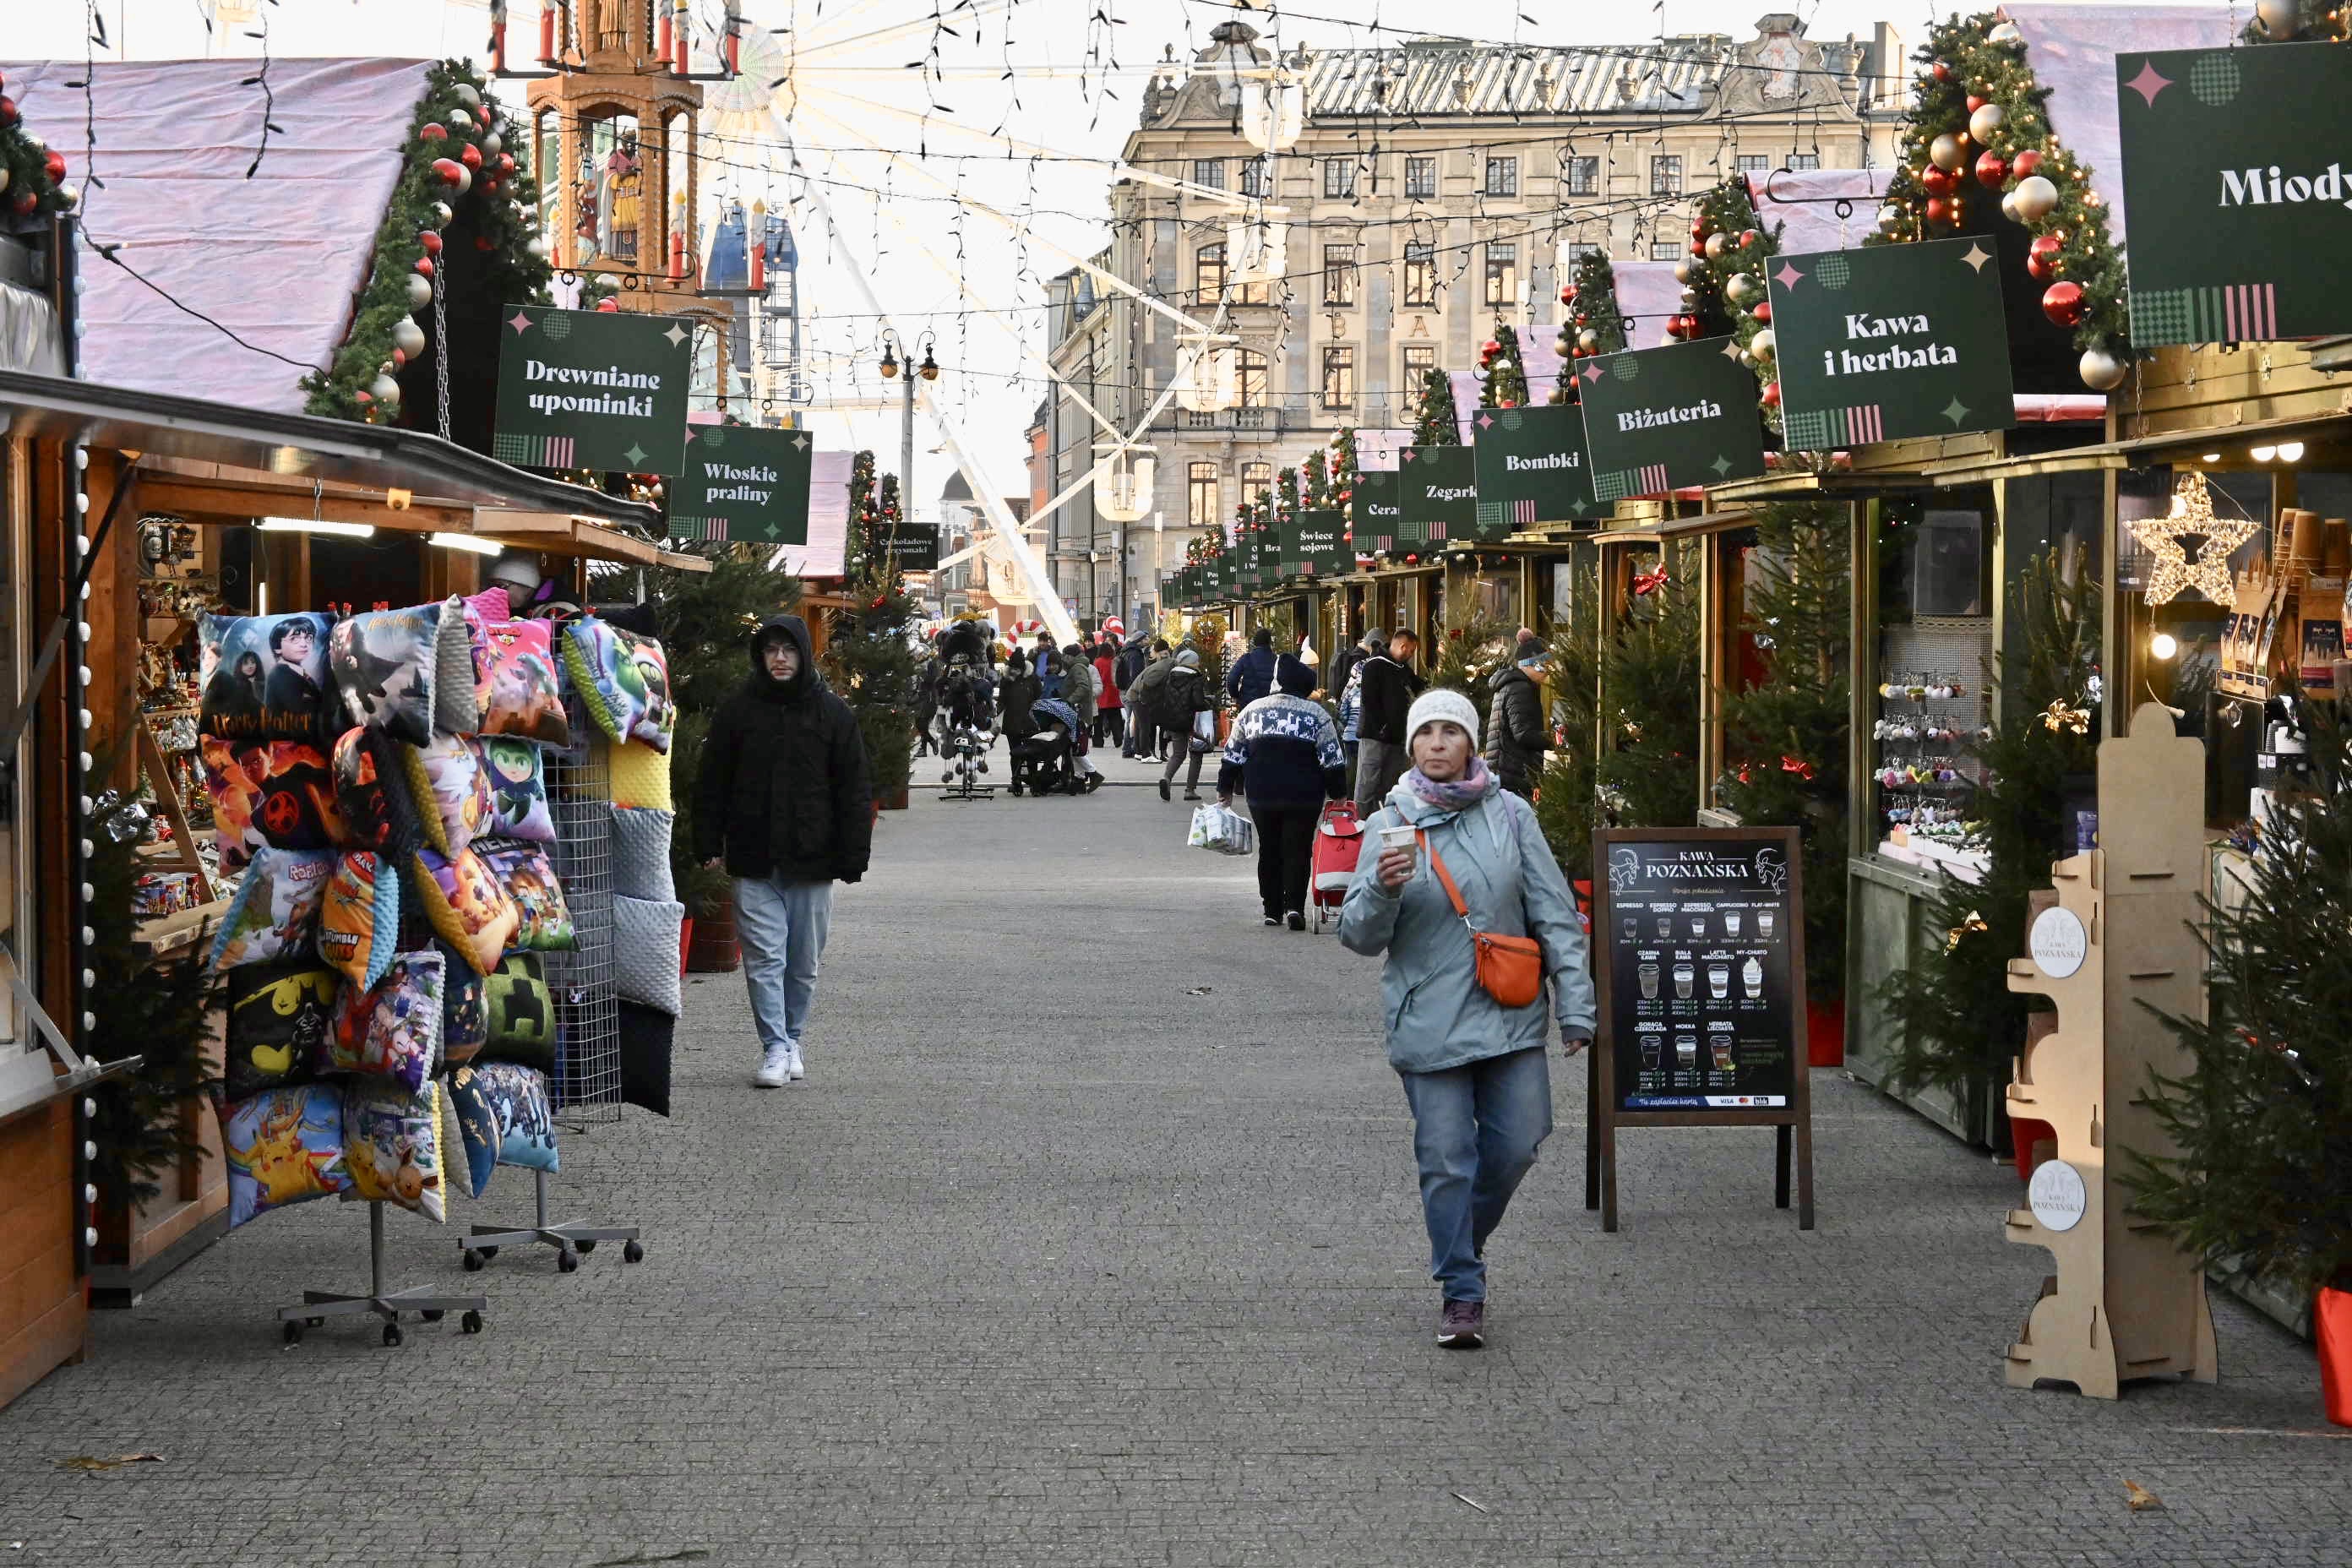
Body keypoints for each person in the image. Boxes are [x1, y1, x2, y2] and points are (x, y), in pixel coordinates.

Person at [1338, 689, 1595, 1348]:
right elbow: (1360, 938)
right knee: (1447, 1158)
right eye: (1427, 733)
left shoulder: (1511, 816)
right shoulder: (1389, 822)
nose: (1438, 744)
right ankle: (1462, 1288)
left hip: (1508, 1011)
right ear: (1414, 744)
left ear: (1472, 742)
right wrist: (1381, 888)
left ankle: (1459, 1241)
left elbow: (1556, 914)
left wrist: (1577, 1006)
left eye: (1452, 732)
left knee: (1518, 1141)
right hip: (1428, 1018)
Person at [694, 614, 874, 1089]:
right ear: (760, 656)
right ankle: (775, 1045)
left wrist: (853, 854)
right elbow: (713, 780)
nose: (779, 658)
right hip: (754, 859)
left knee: (803, 964)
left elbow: (854, 788)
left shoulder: (833, 714)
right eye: (770, 649)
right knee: (763, 961)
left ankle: (793, 1037)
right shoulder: (738, 711)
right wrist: (707, 840)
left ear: (802, 654)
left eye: (788, 649)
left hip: (814, 861)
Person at [1217, 653, 1347, 929]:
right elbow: (1332, 759)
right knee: (1298, 849)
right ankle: (1294, 907)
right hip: (1304, 795)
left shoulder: (1252, 710)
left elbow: (1233, 754)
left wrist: (1225, 788)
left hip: (1262, 794)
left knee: (1270, 847)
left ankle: (1271, 908)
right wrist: (1338, 793)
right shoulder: (1317, 714)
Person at [1353, 629, 1424, 814]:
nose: (1411, 655)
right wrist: (1383, 727)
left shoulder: (1402, 668)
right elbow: (1369, 700)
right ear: (1403, 646)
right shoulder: (1374, 665)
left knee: (1388, 786)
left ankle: (1382, 825)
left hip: (1396, 739)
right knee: (1367, 784)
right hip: (1375, 737)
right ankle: (1360, 826)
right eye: (1411, 650)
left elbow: (1419, 686)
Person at [1484, 629, 1549, 796]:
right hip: (1511, 773)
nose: (1547, 671)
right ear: (1535, 664)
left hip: (1505, 769)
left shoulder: (1511, 685)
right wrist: (1554, 739)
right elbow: (1523, 733)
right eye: (1545, 665)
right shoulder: (1520, 688)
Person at [1146, 647, 1217, 802]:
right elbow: (1198, 702)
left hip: (1173, 721)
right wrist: (1209, 702)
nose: (1198, 664)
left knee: (1178, 754)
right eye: (1196, 661)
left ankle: (1166, 778)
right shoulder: (1196, 678)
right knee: (1196, 755)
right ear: (1190, 663)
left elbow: (1165, 700)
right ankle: (1190, 791)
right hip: (1191, 722)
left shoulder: (1171, 676)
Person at [263, 617, 325, 732]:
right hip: (289, 739)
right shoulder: (280, 675)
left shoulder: (300, 673)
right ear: (277, 648)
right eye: (294, 639)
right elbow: (300, 711)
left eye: (308, 638)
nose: (304, 644)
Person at [1337, 626, 1381, 782]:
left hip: (1350, 735)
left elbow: (1343, 707)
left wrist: (1346, 725)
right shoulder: (1385, 674)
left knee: (1351, 777)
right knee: (1367, 780)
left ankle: (1349, 805)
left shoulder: (1354, 680)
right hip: (1371, 738)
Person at [1115, 633, 1154, 757]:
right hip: (1131, 690)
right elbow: (1136, 675)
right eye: (1146, 638)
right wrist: (1137, 691)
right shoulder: (1135, 654)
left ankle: (1130, 748)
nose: (1148, 640)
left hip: (1125, 689)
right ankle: (1127, 749)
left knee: (1131, 719)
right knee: (1132, 719)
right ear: (1139, 641)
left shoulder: (1127, 651)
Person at [1226, 627, 1279, 709]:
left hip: (1249, 705)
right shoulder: (1277, 660)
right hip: (1271, 705)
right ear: (1269, 642)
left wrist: (1236, 696)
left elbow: (1232, 679)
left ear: (1254, 642)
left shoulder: (1246, 658)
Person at [1092, 639, 1124, 751]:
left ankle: (1098, 741)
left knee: (1098, 720)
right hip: (1113, 693)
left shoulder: (1097, 662)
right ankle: (1118, 739)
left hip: (1101, 694)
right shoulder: (1115, 661)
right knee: (1115, 719)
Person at [1032, 633, 1063, 699]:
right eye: (1040, 641)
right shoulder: (1034, 652)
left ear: (1047, 642)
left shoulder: (1053, 652)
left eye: (1044, 641)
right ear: (1038, 642)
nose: (1042, 643)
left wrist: (1054, 646)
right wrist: (1033, 654)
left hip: (1051, 681)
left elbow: (1059, 662)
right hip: (1037, 682)